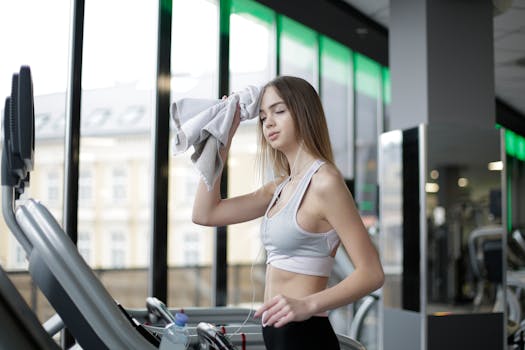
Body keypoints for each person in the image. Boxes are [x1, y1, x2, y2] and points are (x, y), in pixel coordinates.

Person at [192, 76, 384, 350]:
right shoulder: (279, 188)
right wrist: (224, 137)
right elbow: (205, 213)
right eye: (262, 117)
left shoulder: (324, 182)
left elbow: (372, 273)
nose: (268, 122)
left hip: (305, 334)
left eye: (279, 111)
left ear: (304, 112)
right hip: (277, 335)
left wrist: (307, 304)